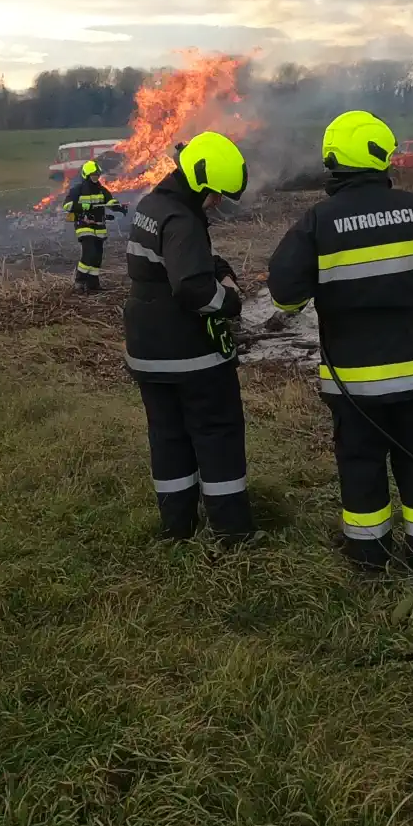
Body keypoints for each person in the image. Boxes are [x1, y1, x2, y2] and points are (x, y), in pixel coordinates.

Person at [267, 110, 413, 571]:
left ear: (334, 160)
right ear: (381, 157)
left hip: (355, 380)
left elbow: (284, 295)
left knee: (361, 464)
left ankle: (369, 557)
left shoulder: (319, 221)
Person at [123, 131, 254, 543]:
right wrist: (230, 299)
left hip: (148, 349)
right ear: (200, 182)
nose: (216, 203)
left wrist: (213, 264)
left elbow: (169, 266)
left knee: (168, 437)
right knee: (217, 436)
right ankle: (233, 533)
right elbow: (194, 290)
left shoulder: (153, 205)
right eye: (215, 194)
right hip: (190, 356)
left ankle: (177, 529)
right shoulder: (182, 221)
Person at [62, 159, 128, 293]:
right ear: (86, 175)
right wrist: (83, 206)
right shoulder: (77, 190)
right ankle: (79, 281)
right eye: (93, 175)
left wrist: (119, 207)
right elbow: (67, 205)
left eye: (97, 175)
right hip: (84, 225)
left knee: (97, 255)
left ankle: (93, 284)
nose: (96, 178)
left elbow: (110, 201)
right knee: (89, 252)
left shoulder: (102, 190)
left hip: (99, 227)